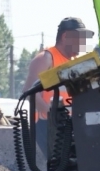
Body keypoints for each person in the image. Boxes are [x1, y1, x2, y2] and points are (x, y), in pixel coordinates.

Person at [21, 17, 95, 157]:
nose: (83, 43)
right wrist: (53, 117)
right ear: (65, 36)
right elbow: (29, 91)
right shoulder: (46, 58)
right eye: (80, 37)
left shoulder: (72, 63)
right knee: (59, 169)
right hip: (48, 125)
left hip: (68, 126)